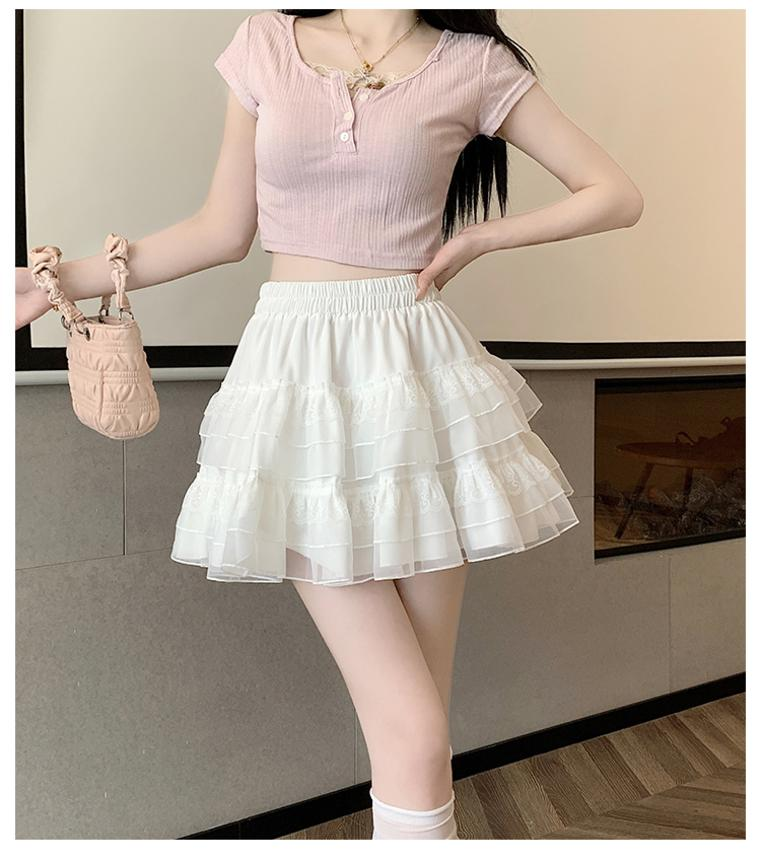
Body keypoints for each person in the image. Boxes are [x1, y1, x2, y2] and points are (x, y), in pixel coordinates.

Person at [15, 9, 643, 839]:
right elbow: (221, 231)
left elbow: (616, 195)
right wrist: (59, 282)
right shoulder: (267, 42)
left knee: (419, 730)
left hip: (417, 377)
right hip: (298, 378)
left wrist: (480, 239)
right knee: (415, 732)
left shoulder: (472, 63)